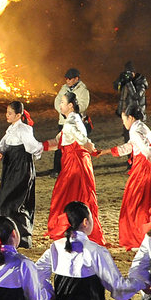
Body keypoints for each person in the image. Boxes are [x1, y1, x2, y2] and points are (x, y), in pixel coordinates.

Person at [43, 94, 104, 244]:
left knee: (64, 193)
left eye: (62, 102)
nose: (60, 104)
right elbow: (59, 141)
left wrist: (89, 145)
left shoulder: (70, 122)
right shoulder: (74, 119)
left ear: (70, 105)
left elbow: (78, 137)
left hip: (74, 164)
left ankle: (68, 226)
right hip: (78, 162)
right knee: (76, 194)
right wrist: (39, 147)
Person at [112, 105, 151, 251]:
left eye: (124, 119)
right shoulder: (141, 127)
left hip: (145, 169)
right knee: (150, 201)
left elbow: (147, 152)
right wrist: (108, 151)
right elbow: (131, 146)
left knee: (137, 203)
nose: (123, 123)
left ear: (130, 118)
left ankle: (138, 238)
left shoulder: (135, 130)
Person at [0, 103, 42, 250]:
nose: (7, 115)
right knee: (5, 199)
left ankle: (21, 238)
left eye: (10, 113)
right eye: (7, 112)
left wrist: (42, 147)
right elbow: (4, 144)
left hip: (21, 167)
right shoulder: (11, 129)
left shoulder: (24, 129)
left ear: (18, 115)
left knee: (16, 201)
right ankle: (4, 235)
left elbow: (33, 147)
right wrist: (1, 152)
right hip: (10, 167)